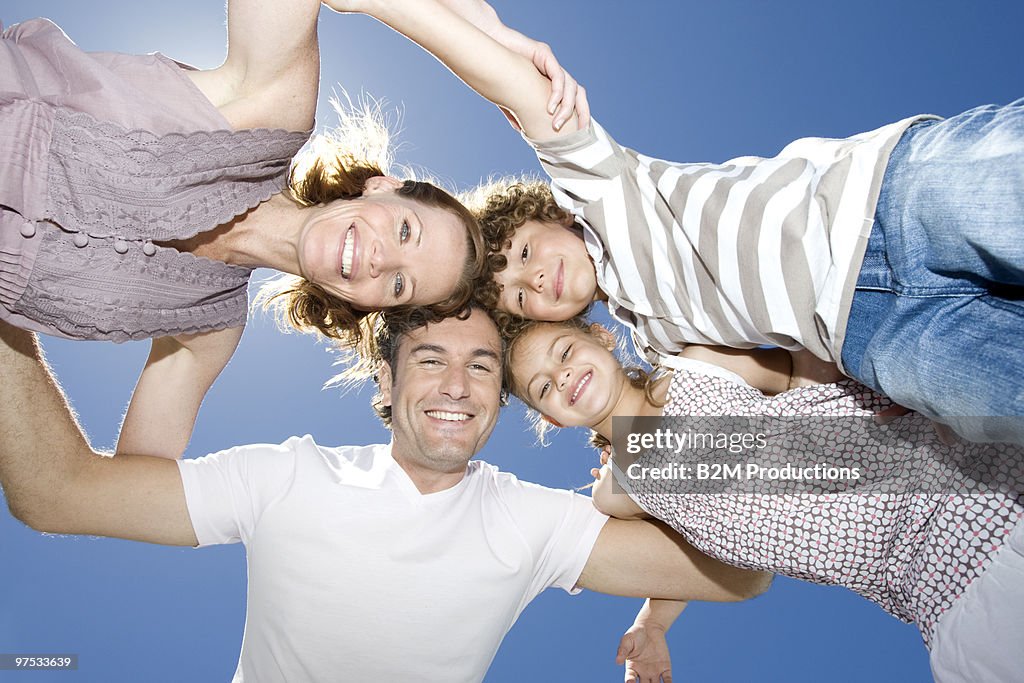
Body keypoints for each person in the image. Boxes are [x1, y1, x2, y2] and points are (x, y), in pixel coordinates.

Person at [342, 0, 1024, 445]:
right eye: (520, 295)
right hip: (879, 337)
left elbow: (513, 84)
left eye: (522, 251)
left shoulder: (604, 192)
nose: (533, 277)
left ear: (547, 215)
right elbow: (779, 373)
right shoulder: (663, 343)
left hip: (888, 199)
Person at [0, 309, 770, 682]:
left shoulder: (529, 520)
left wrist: (645, 458)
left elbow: (744, 569)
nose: (457, 387)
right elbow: (56, 494)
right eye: (430, 359)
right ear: (387, 379)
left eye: (482, 368)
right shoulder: (286, 477)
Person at [0, 0, 519, 462]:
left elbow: (134, 487)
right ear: (382, 186)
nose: (382, 259)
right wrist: (499, 43)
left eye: (399, 285)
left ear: (370, 306)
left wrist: (607, 411)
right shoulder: (271, 111)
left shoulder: (207, 329)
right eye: (406, 231)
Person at [504, 316, 1024, 682]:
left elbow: (819, 359)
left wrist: (914, 389)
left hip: (969, 493)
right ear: (551, 419)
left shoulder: (697, 366)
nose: (563, 376)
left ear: (601, 336)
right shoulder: (621, 487)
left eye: (566, 352)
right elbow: (684, 552)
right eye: (544, 387)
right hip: (932, 590)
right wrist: (651, 624)